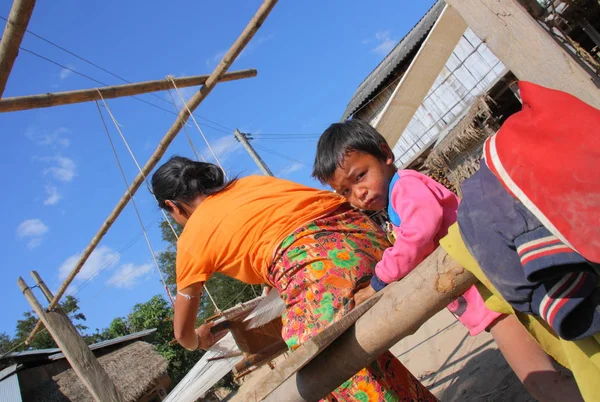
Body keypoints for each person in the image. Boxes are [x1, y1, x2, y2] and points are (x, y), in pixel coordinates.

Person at [312, 119, 583, 401]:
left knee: (542, 381)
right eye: (345, 191)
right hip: (489, 297)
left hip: (494, 297)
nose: (359, 194)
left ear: (385, 154)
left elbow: (419, 233)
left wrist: (379, 280)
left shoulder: (406, 186)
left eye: (360, 176)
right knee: (557, 365)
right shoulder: (395, 203)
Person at [151, 156, 436, 401]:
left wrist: (199, 341)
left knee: (313, 350)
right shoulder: (249, 184)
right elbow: (287, 223)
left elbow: (182, 334)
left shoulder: (190, 239)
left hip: (323, 267)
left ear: (172, 206)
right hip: (368, 237)